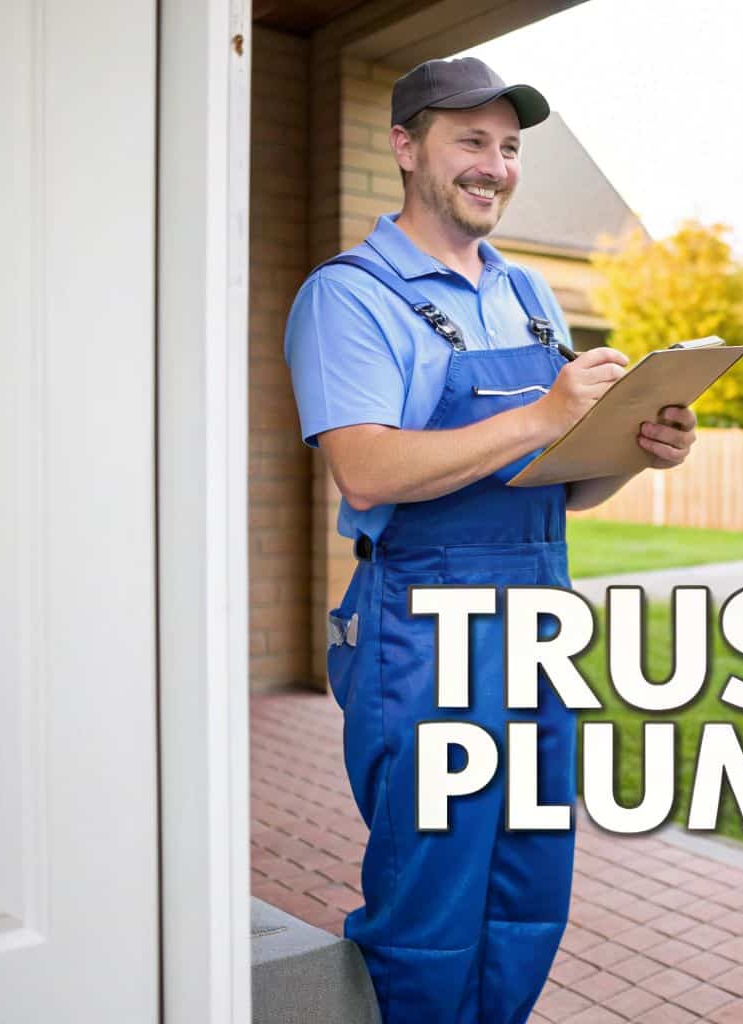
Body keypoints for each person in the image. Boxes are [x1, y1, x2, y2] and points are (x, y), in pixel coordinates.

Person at [283, 56, 696, 1024]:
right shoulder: (350, 295)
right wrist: (541, 412)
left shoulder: (528, 294)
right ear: (405, 145)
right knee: (430, 898)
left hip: (535, 622)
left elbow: (561, 482)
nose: (495, 165)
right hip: (423, 629)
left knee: (526, 887)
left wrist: (636, 450)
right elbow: (367, 470)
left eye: (508, 147)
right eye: (469, 140)